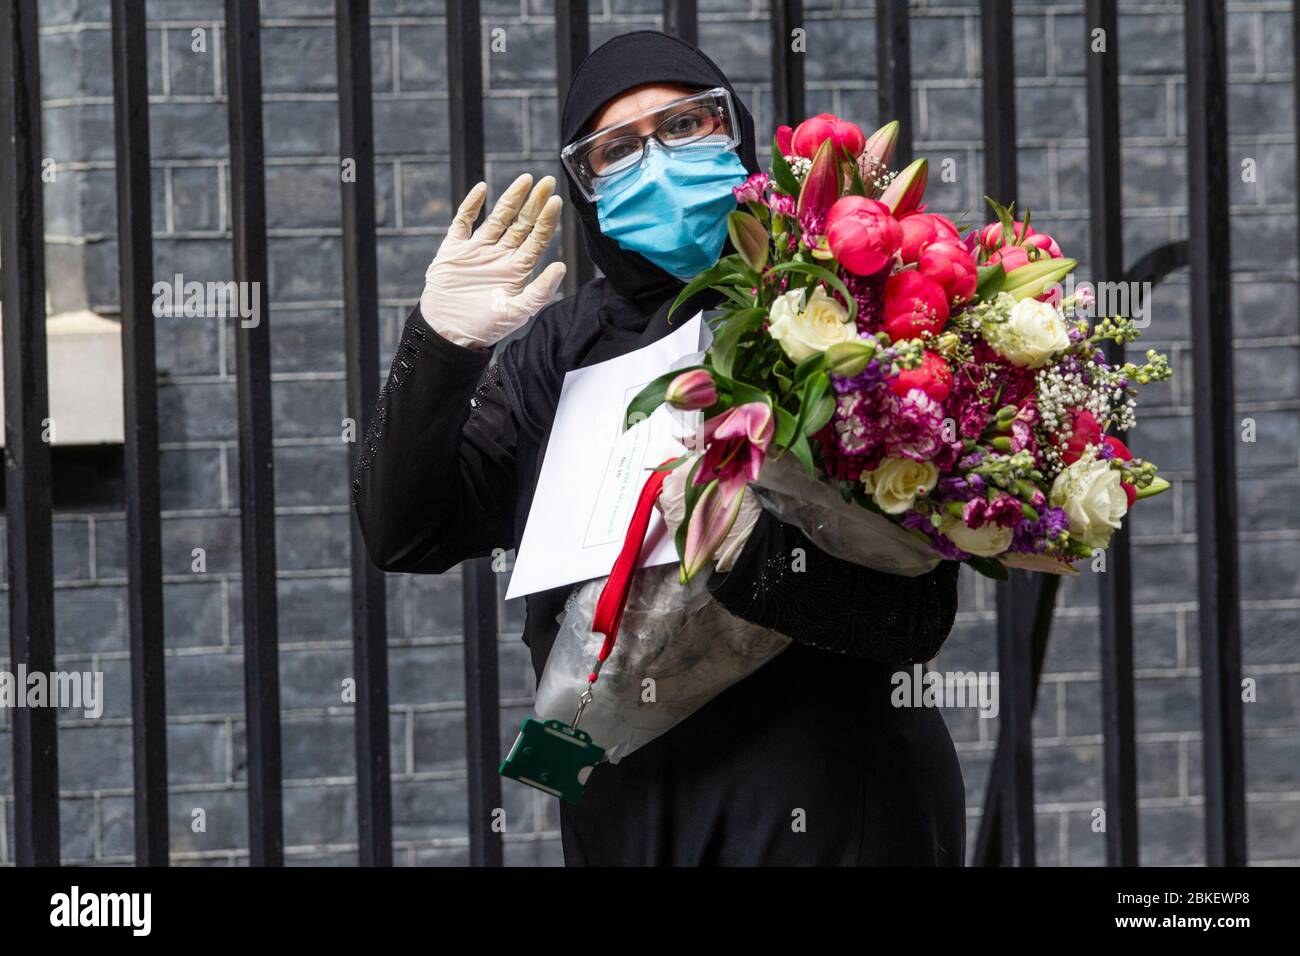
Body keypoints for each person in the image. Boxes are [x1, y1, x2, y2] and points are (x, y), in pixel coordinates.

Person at [353, 30, 965, 866]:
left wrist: (744, 552)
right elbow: (406, 532)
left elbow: (915, 614)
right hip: (631, 805)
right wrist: (439, 347)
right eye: (616, 149)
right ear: (589, 186)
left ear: (735, 133)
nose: (658, 160)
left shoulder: (835, 307)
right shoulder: (558, 352)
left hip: (828, 789)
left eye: (683, 127)